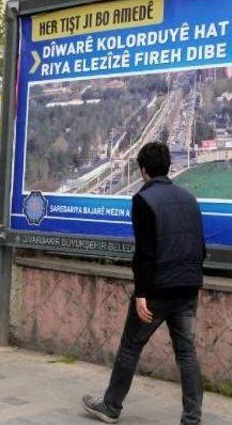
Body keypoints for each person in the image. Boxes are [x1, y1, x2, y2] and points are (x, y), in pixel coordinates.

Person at [82, 142, 206, 424]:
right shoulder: (189, 199)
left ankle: (111, 406)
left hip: (157, 291)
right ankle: (192, 418)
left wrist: (141, 294)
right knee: (186, 354)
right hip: (188, 289)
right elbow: (199, 247)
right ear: (169, 167)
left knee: (130, 346)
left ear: (143, 170)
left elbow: (146, 253)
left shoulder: (143, 200)